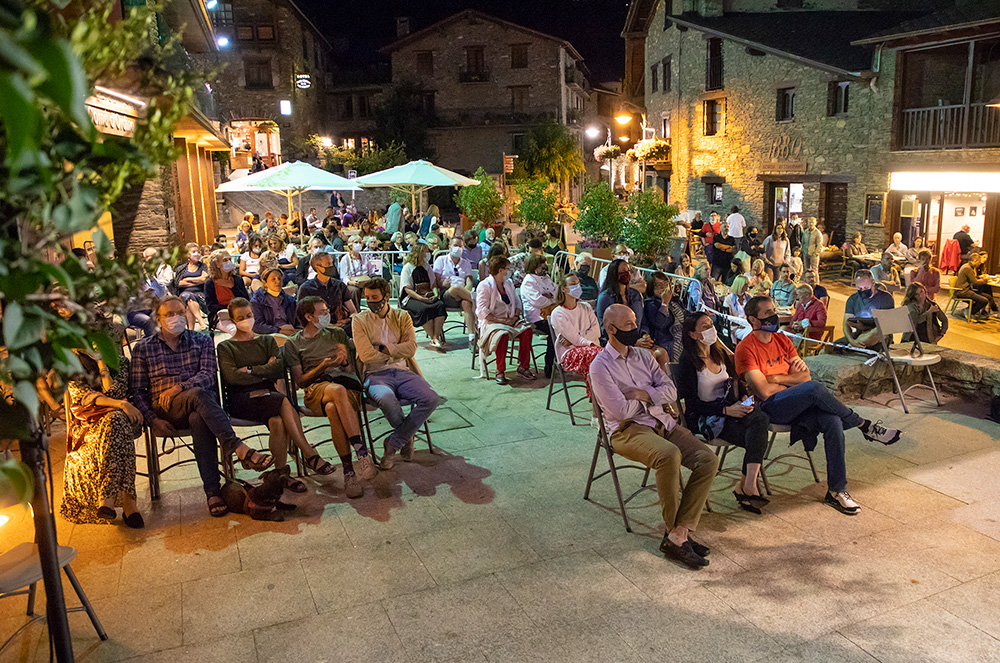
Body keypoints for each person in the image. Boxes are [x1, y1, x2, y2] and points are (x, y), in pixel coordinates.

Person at [735, 295, 902, 515]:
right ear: (752, 320)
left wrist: (776, 378)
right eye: (768, 313)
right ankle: (862, 425)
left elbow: (803, 376)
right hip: (770, 409)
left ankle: (836, 491)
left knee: (832, 421)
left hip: (797, 402)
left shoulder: (782, 340)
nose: (774, 316)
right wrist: (787, 380)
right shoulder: (746, 348)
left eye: (773, 310)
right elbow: (764, 392)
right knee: (814, 389)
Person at [590, 304, 719, 568]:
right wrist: (652, 398)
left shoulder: (645, 356)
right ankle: (674, 533)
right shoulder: (600, 366)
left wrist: (644, 394)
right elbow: (620, 411)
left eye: (635, 322)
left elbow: (671, 390)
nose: (635, 328)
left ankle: (679, 532)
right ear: (610, 329)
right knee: (668, 455)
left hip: (661, 421)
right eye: (628, 325)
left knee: (708, 459)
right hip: (627, 431)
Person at [130, 297, 274, 517]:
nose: (176, 318)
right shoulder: (143, 349)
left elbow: (208, 376)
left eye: (180, 312)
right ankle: (237, 447)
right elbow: (138, 392)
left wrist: (180, 387)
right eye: (170, 314)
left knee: (198, 415)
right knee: (198, 395)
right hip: (165, 409)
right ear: (158, 319)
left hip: (199, 405)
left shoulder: (202, 340)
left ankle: (213, 493)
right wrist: (152, 419)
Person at [218, 298, 337, 491]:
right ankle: (309, 453)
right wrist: (261, 370)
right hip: (242, 399)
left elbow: (277, 369)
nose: (246, 320)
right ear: (232, 320)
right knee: (281, 400)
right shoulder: (226, 347)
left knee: (278, 422)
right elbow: (232, 378)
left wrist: (248, 370)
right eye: (240, 317)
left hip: (268, 396)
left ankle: (282, 475)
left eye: (249, 315)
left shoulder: (266, 340)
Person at [677, 312, 769, 514]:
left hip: (730, 409)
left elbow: (734, 384)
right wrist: (726, 410)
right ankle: (746, 488)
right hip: (706, 417)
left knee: (760, 419)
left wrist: (744, 400)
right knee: (755, 437)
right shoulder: (688, 362)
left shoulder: (719, 354)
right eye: (704, 327)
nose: (711, 329)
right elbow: (691, 405)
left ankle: (748, 485)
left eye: (711, 324)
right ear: (693, 334)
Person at [285, 297, 376, 497]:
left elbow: (351, 369)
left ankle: (349, 472)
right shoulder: (294, 343)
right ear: (309, 317)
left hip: (344, 386)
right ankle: (361, 452)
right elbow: (300, 381)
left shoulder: (336, 334)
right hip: (316, 389)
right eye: (323, 312)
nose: (328, 315)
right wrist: (323, 366)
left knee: (332, 408)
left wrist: (343, 362)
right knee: (336, 391)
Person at [353, 278, 441, 468]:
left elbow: (410, 349)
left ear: (386, 297)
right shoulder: (359, 320)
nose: (370, 302)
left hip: (402, 371)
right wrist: (395, 351)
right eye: (367, 298)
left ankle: (393, 444)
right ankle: (406, 438)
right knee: (386, 399)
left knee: (432, 398)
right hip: (375, 374)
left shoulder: (403, 317)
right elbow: (365, 355)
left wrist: (386, 350)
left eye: (374, 297)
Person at [63, 324, 144, 527]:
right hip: (88, 424)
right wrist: (121, 404)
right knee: (117, 422)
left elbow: (115, 392)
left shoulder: (122, 363)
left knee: (116, 421)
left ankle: (106, 498)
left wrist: (102, 365)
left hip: (120, 418)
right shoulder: (73, 364)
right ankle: (129, 504)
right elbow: (81, 395)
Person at [475, 256, 535, 385]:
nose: (509, 271)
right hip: (493, 322)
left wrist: (515, 316)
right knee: (502, 335)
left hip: (510, 320)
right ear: (500, 270)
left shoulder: (508, 284)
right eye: (507, 269)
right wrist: (500, 320)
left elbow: (518, 303)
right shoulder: (485, 285)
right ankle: (500, 370)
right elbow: (482, 311)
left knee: (527, 331)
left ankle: (523, 366)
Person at [549, 273, 602, 386]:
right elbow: (575, 339)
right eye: (573, 284)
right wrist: (584, 341)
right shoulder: (558, 313)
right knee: (601, 360)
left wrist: (579, 340)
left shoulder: (585, 307)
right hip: (569, 353)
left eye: (578, 283)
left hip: (591, 348)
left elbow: (597, 331)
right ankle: (599, 397)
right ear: (564, 289)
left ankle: (599, 395)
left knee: (608, 359)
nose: (577, 286)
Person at [400, 242, 448, 348]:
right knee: (424, 308)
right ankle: (433, 337)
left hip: (427, 294)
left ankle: (436, 337)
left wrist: (435, 295)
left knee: (440, 305)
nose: (428, 253)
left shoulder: (427, 267)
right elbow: (407, 289)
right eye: (426, 251)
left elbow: (433, 284)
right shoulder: (408, 268)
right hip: (411, 298)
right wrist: (421, 298)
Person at [297, 251, 356, 335]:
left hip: (342, 327)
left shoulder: (339, 285)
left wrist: (345, 321)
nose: (332, 266)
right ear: (317, 267)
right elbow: (302, 316)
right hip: (318, 330)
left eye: (332, 263)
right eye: (328, 264)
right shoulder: (306, 288)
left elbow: (353, 311)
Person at [433, 235, 477, 343]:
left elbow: (469, 282)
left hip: (462, 295)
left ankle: (472, 336)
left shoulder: (466, 263)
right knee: (455, 288)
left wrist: (464, 292)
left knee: (467, 303)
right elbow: (436, 281)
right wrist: (443, 284)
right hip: (447, 293)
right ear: (450, 247)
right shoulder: (441, 260)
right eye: (455, 245)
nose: (458, 248)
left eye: (460, 246)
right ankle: (476, 301)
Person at [521, 254, 558, 378]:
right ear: (534, 267)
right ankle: (549, 364)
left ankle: (560, 360)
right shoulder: (528, 281)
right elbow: (538, 301)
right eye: (541, 266)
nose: (544, 268)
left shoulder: (546, 278)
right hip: (536, 318)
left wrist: (550, 297)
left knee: (566, 327)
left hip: (551, 313)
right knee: (555, 331)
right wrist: (551, 299)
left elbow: (556, 292)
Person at [843, 269, 896, 350]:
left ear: (873, 283)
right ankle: (853, 345)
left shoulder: (886, 298)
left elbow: (885, 326)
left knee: (879, 331)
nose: (863, 290)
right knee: (827, 349)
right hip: (859, 334)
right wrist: (851, 340)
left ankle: (851, 347)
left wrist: (864, 327)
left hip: (879, 336)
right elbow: (845, 324)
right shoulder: (853, 299)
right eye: (859, 288)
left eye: (866, 287)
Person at [596, 258, 644, 342]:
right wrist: (630, 342)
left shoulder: (635, 294)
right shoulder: (605, 297)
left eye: (628, 270)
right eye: (623, 271)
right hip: (616, 341)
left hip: (637, 337)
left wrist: (645, 335)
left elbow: (643, 320)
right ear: (614, 273)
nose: (627, 273)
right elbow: (604, 326)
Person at [642, 271, 686, 362]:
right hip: (667, 344)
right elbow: (660, 324)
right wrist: (664, 304)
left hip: (682, 340)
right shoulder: (651, 304)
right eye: (659, 285)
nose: (663, 288)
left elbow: (685, 315)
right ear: (651, 288)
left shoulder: (674, 300)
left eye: (665, 284)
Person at [203, 248, 250, 331]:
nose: (228, 262)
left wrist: (233, 287)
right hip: (221, 316)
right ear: (217, 264)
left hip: (240, 314)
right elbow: (210, 306)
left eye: (229, 259)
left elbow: (246, 299)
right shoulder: (210, 283)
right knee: (235, 329)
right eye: (225, 260)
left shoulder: (237, 280)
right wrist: (228, 309)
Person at [172, 242, 209, 330]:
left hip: (199, 293)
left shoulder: (203, 266)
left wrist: (188, 279)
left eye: (198, 252)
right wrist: (198, 279)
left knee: (188, 303)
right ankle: (201, 322)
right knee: (187, 295)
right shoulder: (181, 268)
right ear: (188, 254)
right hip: (183, 294)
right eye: (194, 252)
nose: (197, 254)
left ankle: (190, 330)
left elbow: (204, 280)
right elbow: (178, 283)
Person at [250, 268, 298, 335]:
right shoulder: (257, 301)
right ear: (265, 283)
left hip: (290, 331)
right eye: (273, 279)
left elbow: (297, 321)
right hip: (270, 334)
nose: (278, 281)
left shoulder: (290, 300)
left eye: (279, 279)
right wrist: (278, 330)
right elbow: (257, 325)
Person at [955, 251, 999, 321]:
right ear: (974, 261)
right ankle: (969, 311)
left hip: (966, 289)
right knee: (984, 300)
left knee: (987, 296)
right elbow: (975, 281)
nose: (979, 264)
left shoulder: (968, 266)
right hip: (963, 291)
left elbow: (973, 279)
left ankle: (974, 311)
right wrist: (985, 280)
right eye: (978, 262)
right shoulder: (968, 268)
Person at [724, 274, 752, 343]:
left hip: (748, 325)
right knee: (751, 333)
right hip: (736, 327)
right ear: (740, 285)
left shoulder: (749, 297)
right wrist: (740, 323)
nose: (747, 286)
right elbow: (727, 318)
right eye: (745, 285)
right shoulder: (729, 299)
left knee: (756, 331)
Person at [799, 217, 823, 284]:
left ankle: (816, 283)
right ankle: (807, 283)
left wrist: (816, 253)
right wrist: (803, 250)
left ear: (815, 223)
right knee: (806, 269)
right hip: (806, 253)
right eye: (810, 222)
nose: (811, 224)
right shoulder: (805, 232)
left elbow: (819, 244)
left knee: (814, 270)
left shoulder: (817, 233)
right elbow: (803, 241)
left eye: (812, 222)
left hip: (813, 254)